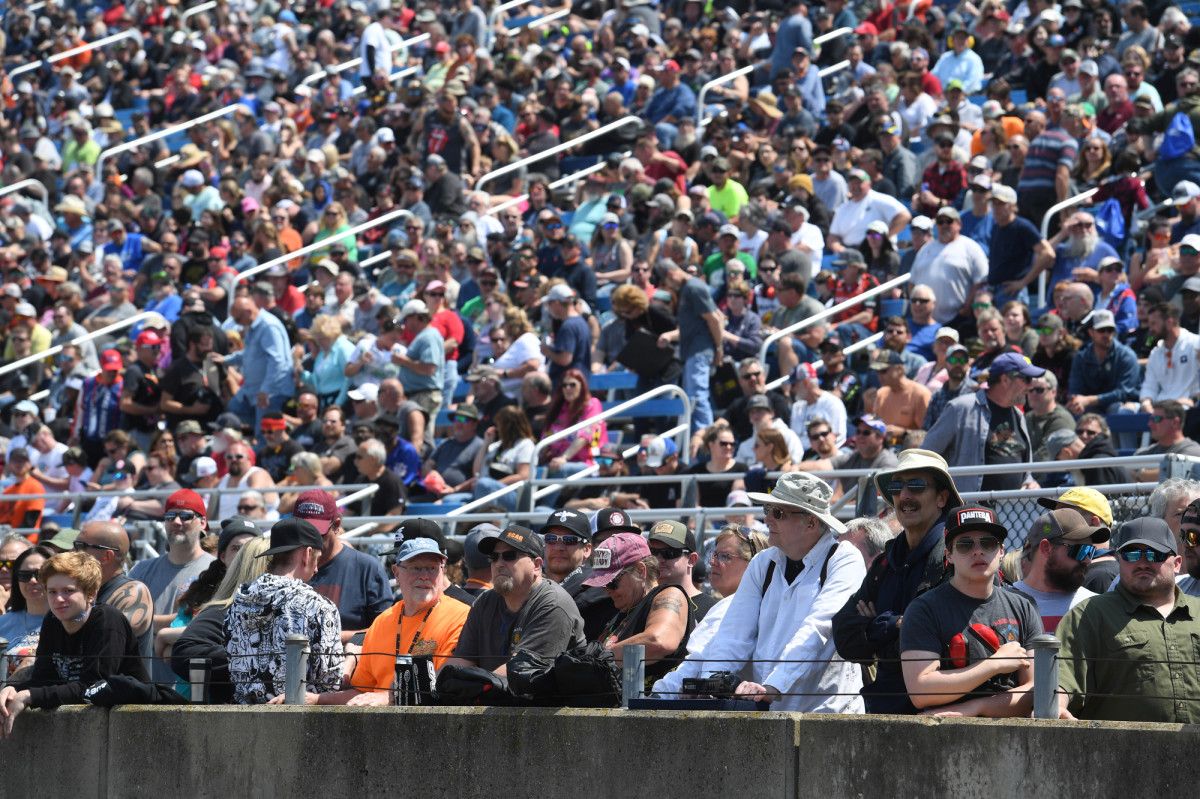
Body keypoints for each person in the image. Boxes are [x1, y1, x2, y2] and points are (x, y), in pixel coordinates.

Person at [657, 472, 865, 711]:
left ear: (811, 522)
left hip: (827, 715)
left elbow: (818, 628)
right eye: (768, 508)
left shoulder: (844, 559)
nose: (767, 519)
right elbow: (734, 633)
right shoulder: (763, 562)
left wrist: (774, 685)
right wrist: (713, 682)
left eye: (778, 513)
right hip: (768, 713)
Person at [833, 449, 963, 714]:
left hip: (943, 718)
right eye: (896, 486)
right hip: (883, 713)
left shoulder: (959, 556)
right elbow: (843, 635)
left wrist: (876, 637)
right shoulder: (885, 563)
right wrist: (894, 625)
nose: (904, 495)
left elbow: (952, 641)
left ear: (942, 498)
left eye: (916, 485)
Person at [900, 504, 1041, 717]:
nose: (978, 550)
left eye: (988, 543)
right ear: (949, 555)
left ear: (1001, 551)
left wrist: (973, 708)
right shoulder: (924, 609)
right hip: (945, 736)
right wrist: (993, 665)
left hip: (1011, 735)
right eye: (965, 545)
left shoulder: (1024, 606)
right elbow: (921, 691)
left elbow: (1035, 690)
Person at [1056, 518, 1200, 722]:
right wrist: (1056, 707)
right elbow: (1063, 677)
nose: (1142, 563)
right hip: (1121, 751)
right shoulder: (1089, 614)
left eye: (1154, 554)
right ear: (1119, 560)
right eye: (1131, 554)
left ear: (1177, 564)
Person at [306, 537, 472, 705]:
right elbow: (362, 692)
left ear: (442, 571)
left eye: (432, 568)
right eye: (416, 568)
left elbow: (444, 685)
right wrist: (315, 700)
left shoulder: (461, 617)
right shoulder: (382, 621)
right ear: (396, 573)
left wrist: (390, 697)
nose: (424, 576)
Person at [0, 551, 150, 738]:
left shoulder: (107, 620)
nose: (59, 599)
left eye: (68, 591)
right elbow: (44, 679)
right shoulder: (53, 620)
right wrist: (15, 690)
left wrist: (31, 696)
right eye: (52, 592)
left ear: (91, 594)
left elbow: (94, 687)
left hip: (137, 725)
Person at [226, 517, 344, 705]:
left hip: (243, 721)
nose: (315, 570)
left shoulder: (238, 603)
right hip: (299, 724)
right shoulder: (320, 606)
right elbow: (330, 683)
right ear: (307, 554)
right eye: (317, 559)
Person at [445, 524, 586, 676]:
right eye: (494, 557)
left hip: (541, 698)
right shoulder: (484, 601)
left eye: (509, 556)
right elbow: (461, 660)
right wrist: (436, 689)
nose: (498, 564)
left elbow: (519, 670)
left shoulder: (553, 603)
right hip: (494, 696)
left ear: (537, 566)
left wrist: (472, 690)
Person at [651, 525, 770, 697]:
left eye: (724, 556)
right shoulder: (734, 604)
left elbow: (696, 666)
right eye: (714, 554)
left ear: (753, 565)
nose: (712, 562)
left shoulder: (732, 605)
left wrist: (661, 695)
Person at [168, 536, 273, 704]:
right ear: (263, 569)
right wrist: (253, 658)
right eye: (282, 564)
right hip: (229, 722)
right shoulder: (221, 611)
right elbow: (184, 653)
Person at [128, 489, 216, 685]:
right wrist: (172, 625)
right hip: (143, 686)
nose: (177, 522)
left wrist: (145, 624)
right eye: (170, 516)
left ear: (203, 523)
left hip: (191, 688)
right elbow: (124, 620)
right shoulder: (141, 569)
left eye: (186, 516)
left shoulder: (215, 570)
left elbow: (201, 625)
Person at [923, 352, 1043, 494]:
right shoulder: (961, 408)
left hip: (1013, 510)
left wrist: (1029, 482)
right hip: (970, 509)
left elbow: (1024, 468)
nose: (1031, 387)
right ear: (1005, 379)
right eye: (1026, 379)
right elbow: (926, 455)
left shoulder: (1019, 416)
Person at [584, 533, 693, 686]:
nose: (606, 591)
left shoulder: (669, 594)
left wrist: (593, 662)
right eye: (603, 584)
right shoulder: (623, 610)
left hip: (651, 705)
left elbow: (658, 641)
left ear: (641, 571)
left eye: (612, 582)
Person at [298, 489, 391, 642]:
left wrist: (329, 637)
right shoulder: (285, 565)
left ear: (337, 526)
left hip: (349, 661)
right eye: (302, 532)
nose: (310, 539)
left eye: (317, 532)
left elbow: (386, 631)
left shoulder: (366, 569)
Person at [1012, 508, 1110, 632]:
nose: (1087, 560)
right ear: (1046, 548)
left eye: (1090, 551)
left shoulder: (1096, 606)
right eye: (1080, 550)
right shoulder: (1003, 605)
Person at [656, 259, 724, 432]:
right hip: (692, 351)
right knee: (692, 399)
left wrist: (719, 348)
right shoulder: (688, 289)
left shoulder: (694, 287)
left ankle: (707, 439)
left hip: (700, 350)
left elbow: (715, 319)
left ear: (670, 274)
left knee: (698, 397)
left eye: (666, 282)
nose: (668, 285)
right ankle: (698, 440)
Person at [75, 521, 154, 661]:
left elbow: (107, 640)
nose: (72, 552)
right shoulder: (80, 592)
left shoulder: (134, 591)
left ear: (107, 557)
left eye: (81, 547)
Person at [538, 507, 615, 641]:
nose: (558, 547)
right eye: (551, 539)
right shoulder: (537, 590)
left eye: (569, 540)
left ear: (587, 549)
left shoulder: (597, 593)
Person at [794, 414, 898, 501]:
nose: (860, 436)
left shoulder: (888, 462)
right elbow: (821, 465)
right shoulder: (853, 456)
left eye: (866, 432)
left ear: (881, 438)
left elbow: (876, 502)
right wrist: (797, 468)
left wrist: (836, 508)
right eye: (858, 432)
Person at [646, 520, 718, 622]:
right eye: (653, 552)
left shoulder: (712, 610)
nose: (659, 559)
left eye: (669, 552)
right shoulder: (640, 603)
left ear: (692, 560)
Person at [0, 545, 53, 681]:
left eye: (40, 574)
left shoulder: (67, 621)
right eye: (24, 575)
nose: (32, 581)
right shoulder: (3, 622)